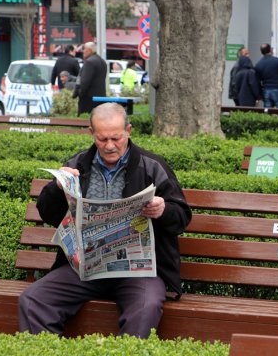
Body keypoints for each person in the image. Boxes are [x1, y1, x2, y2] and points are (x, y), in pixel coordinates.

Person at [18, 102, 192, 338]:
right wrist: (57, 187)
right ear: (91, 134)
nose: (110, 146)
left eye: (116, 138)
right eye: (102, 139)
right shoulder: (77, 165)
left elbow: (182, 216)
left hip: (139, 272)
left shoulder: (152, 165)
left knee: (145, 307)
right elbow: (48, 214)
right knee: (33, 300)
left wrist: (163, 210)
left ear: (128, 131)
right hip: (86, 268)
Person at [74, 42, 107, 115]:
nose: (83, 51)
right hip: (101, 98)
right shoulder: (102, 61)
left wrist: (79, 93)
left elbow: (85, 81)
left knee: (85, 121)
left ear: (89, 50)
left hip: (89, 99)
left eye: (84, 49)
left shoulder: (89, 62)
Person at [255, 43, 278, 108]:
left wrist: (260, 93)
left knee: (268, 113)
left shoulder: (258, 64)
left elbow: (257, 81)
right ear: (270, 50)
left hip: (266, 90)